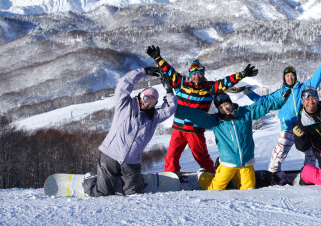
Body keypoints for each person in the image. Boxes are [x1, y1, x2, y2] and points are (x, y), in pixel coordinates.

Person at [146, 45, 258, 174]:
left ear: (203, 74)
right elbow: (169, 71)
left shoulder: (209, 87)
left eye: (199, 74)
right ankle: (171, 175)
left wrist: (242, 74)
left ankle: (211, 174)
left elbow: (226, 82)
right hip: (178, 129)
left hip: (195, 130)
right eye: (194, 74)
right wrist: (157, 58)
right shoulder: (181, 83)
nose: (197, 76)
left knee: (201, 156)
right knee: (171, 156)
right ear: (191, 74)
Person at [83, 66, 177, 196]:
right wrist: (143, 72)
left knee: (134, 194)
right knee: (102, 193)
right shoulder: (125, 105)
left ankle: (128, 183)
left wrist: (169, 90)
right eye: (146, 99)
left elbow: (170, 108)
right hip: (111, 154)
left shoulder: (153, 117)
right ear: (141, 96)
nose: (148, 104)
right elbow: (124, 84)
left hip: (132, 161)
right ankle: (89, 181)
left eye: (152, 102)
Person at [175, 90, 291, 190]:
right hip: (227, 162)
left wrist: (281, 100)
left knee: (249, 189)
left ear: (230, 102)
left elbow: (264, 106)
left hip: (246, 161)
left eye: (226, 104)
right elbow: (197, 116)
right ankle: (203, 175)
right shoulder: (215, 122)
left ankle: (237, 178)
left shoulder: (245, 113)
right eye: (221, 107)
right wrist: (177, 108)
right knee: (214, 188)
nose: (225, 108)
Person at [245, 53, 321, 173]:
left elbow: (318, 77)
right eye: (287, 76)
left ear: (295, 77)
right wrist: (249, 93)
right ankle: (273, 173)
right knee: (279, 153)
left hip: (304, 126)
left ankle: (308, 172)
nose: (290, 78)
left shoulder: (303, 88)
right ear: (284, 78)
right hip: (288, 126)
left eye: (292, 75)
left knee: (310, 153)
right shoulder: (280, 93)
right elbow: (263, 100)